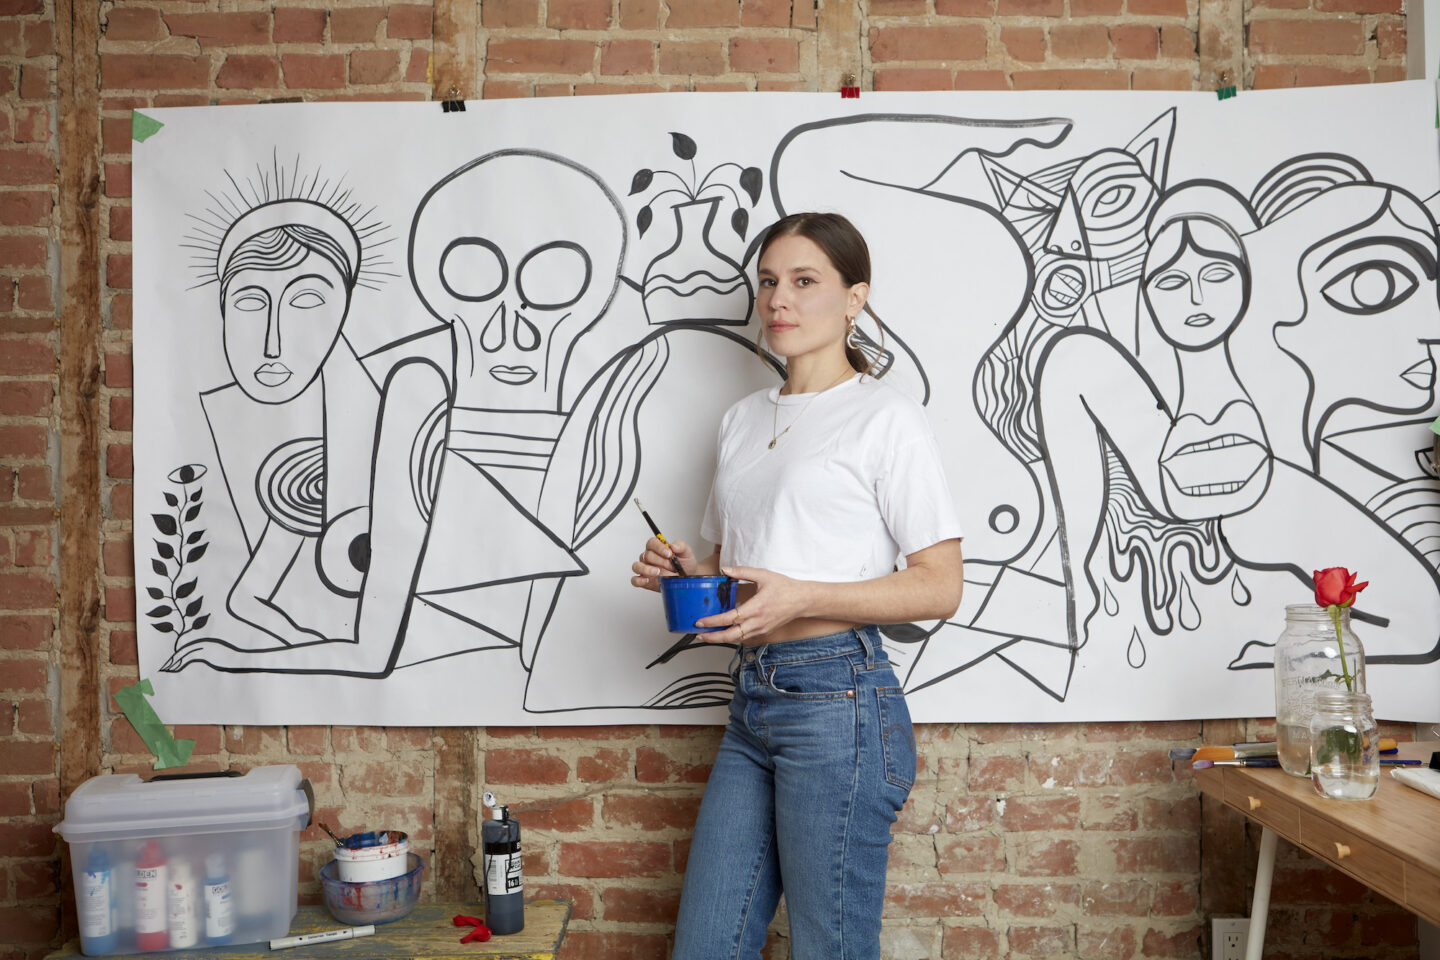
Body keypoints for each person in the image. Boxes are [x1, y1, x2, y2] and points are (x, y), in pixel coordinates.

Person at [629, 212, 965, 958]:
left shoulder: (887, 418)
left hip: (840, 702)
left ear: (855, 298)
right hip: (753, 699)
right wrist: (689, 577)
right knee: (705, 948)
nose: (779, 299)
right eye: (769, 281)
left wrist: (805, 595)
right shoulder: (741, 420)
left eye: (805, 281)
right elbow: (737, 574)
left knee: (828, 949)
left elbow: (940, 587)